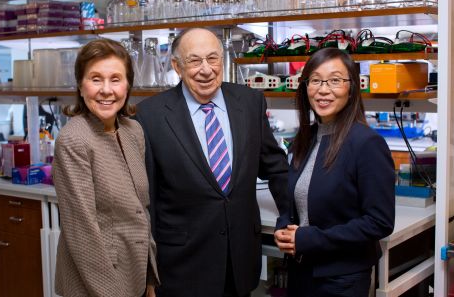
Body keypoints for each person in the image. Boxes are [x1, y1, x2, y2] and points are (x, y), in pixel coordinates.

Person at [135, 28, 290, 297]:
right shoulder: (150, 115)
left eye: (213, 58)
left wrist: (291, 218)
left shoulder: (249, 101)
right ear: (177, 66)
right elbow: (146, 200)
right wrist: (148, 270)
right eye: (194, 61)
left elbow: (275, 167)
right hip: (181, 266)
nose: (206, 69)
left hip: (239, 260)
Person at [274, 48, 395, 297]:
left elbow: (379, 222)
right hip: (300, 270)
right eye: (315, 80)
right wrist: (284, 227)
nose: (323, 89)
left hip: (341, 279)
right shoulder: (304, 138)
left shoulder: (366, 143)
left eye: (335, 80)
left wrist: (308, 239)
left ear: (351, 88)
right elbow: (294, 201)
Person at [52, 38, 159, 297]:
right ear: (80, 84)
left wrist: (149, 279)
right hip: (96, 284)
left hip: (134, 276)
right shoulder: (74, 139)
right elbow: (82, 232)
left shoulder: (133, 131)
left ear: (128, 85)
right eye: (96, 79)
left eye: (116, 79)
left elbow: (140, 210)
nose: (106, 90)